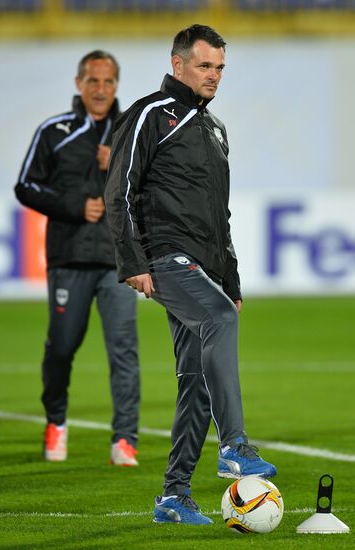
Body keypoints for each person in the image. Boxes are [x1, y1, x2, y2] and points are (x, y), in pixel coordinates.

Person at [105, 25, 277, 524]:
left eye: (220, 67)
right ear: (178, 64)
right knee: (219, 322)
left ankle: (173, 497)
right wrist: (132, 260)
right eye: (205, 66)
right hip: (164, 255)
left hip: (205, 266)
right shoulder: (150, 115)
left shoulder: (215, 129)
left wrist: (233, 282)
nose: (214, 76)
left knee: (196, 381)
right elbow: (119, 190)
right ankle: (235, 446)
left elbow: (219, 217)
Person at [15, 50, 140, 467]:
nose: (101, 89)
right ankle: (56, 422)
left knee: (124, 350)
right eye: (93, 81)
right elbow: (26, 186)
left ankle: (125, 439)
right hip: (69, 258)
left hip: (119, 260)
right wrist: (74, 205)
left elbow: (152, 189)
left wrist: (119, 163)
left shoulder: (131, 131)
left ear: (117, 86)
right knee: (62, 348)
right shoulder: (55, 130)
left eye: (108, 82)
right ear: (78, 83)